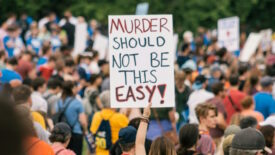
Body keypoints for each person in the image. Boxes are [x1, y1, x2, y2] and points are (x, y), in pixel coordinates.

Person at [90, 90, 129, 155]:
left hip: (99, 152)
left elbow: (93, 132)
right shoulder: (121, 118)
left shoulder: (96, 115)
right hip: (115, 152)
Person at [56, 81, 88, 155]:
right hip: (75, 132)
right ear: (71, 89)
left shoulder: (59, 101)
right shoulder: (77, 102)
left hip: (62, 133)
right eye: (75, 87)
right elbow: (83, 121)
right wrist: (85, 130)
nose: (77, 89)